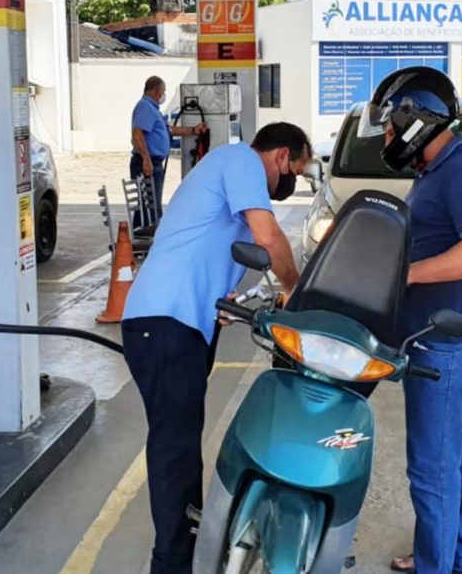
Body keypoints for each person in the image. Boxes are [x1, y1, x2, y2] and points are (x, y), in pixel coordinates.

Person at [120, 122, 311, 574]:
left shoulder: (231, 186)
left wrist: (227, 304)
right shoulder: (239, 159)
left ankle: (188, 550)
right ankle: (171, 565)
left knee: (183, 444)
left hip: (180, 324)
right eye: (296, 172)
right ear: (281, 156)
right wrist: (299, 293)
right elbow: (269, 240)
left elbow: (225, 254)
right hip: (163, 321)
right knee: (175, 448)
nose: (292, 182)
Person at [362, 67, 462, 574]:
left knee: (432, 472)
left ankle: (435, 565)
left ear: (415, 119)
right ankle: (455, 557)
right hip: (430, 336)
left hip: (445, 344)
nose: (386, 136)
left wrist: (407, 275)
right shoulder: (435, 169)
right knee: (452, 462)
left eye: (389, 125)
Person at [131, 76, 207, 227]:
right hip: (147, 163)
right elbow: (137, 134)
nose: (163, 96)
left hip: (154, 163)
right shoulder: (145, 107)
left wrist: (193, 130)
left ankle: (147, 238)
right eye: (163, 92)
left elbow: (168, 130)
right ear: (156, 91)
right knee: (149, 206)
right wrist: (146, 159)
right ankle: (145, 238)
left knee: (152, 204)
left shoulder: (153, 109)